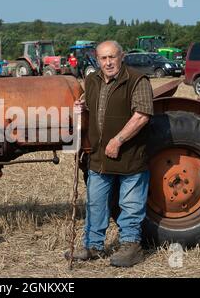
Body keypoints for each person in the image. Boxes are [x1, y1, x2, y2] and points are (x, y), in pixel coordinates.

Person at [65, 40, 154, 267]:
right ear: (97, 59)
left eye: (112, 57)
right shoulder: (92, 80)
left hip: (130, 155)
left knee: (130, 204)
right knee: (95, 203)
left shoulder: (137, 80)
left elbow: (142, 115)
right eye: (103, 58)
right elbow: (91, 104)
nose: (108, 62)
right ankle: (92, 246)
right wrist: (80, 106)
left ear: (121, 56)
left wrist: (118, 140)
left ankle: (131, 247)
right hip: (99, 157)